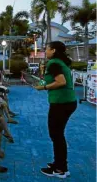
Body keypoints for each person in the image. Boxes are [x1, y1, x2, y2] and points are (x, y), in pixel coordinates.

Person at [35, 41, 76, 178]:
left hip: (61, 103)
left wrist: (44, 87)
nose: (45, 51)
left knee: (56, 135)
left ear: (53, 50)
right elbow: (54, 79)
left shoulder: (54, 63)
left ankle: (60, 169)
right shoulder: (60, 62)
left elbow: (61, 81)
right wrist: (42, 83)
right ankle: (59, 164)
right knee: (57, 134)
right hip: (67, 102)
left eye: (46, 49)